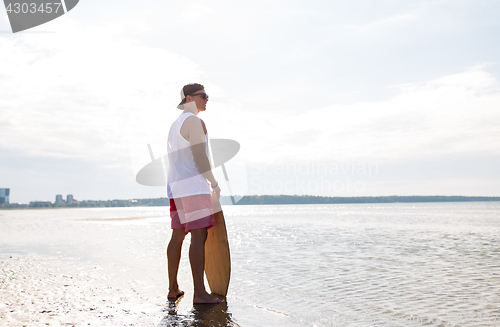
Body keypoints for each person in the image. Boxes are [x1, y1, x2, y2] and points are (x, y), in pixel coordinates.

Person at [166, 83, 222, 304]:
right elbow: (199, 156)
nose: (207, 99)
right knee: (199, 235)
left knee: (178, 235)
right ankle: (200, 294)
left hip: (176, 187)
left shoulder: (175, 124)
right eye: (204, 96)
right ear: (189, 98)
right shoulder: (194, 121)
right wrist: (213, 182)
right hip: (193, 187)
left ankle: (173, 288)